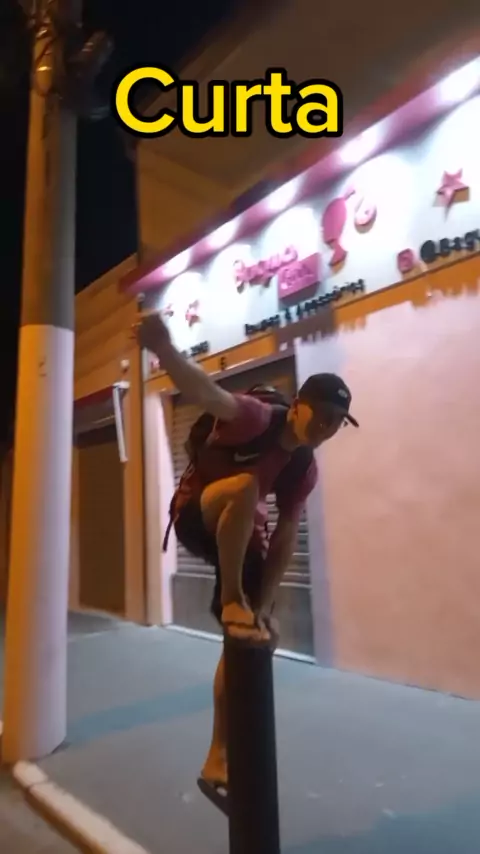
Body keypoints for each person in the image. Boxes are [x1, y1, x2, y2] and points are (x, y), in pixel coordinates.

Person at [133, 310, 359, 788]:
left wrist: (266, 607)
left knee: (252, 640)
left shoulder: (304, 468)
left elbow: (284, 538)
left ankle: (219, 756)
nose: (326, 427)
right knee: (243, 488)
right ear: (297, 406)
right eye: (321, 415)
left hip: (239, 532)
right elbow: (206, 394)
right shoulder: (258, 417)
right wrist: (165, 349)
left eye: (337, 423)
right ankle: (231, 597)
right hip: (198, 512)